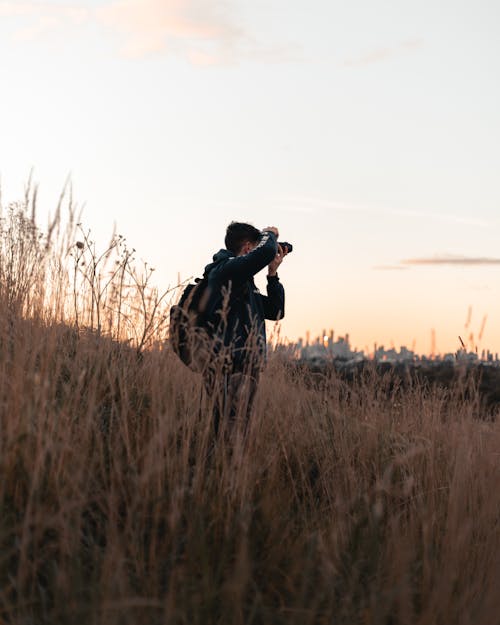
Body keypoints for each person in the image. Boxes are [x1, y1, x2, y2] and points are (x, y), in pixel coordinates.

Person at [202, 222, 287, 438]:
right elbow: (267, 249)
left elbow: (276, 311)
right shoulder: (225, 271)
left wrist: (272, 275)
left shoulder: (243, 284)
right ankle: (220, 470)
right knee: (229, 435)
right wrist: (270, 234)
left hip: (246, 370)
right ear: (249, 248)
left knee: (237, 432)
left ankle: (223, 469)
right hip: (230, 368)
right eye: (257, 248)